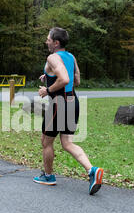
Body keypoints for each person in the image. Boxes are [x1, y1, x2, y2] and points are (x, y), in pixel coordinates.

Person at [34, 27, 104, 195]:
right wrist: (49, 77)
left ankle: (48, 176)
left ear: (56, 42)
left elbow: (64, 79)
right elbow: (76, 80)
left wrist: (48, 90)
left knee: (46, 141)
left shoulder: (52, 57)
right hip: (73, 102)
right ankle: (92, 170)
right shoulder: (71, 57)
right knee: (67, 143)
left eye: (48, 39)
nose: (46, 42)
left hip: (59, 103)